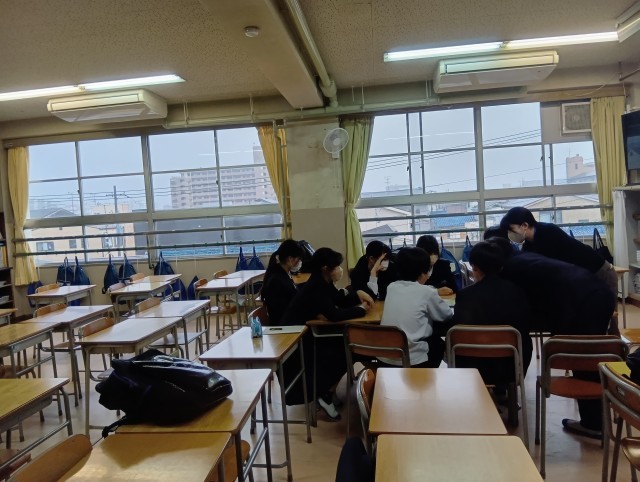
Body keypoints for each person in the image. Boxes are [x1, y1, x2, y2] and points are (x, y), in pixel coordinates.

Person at [487, 235, 614, 439]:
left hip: (583, 303)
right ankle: (601, 416)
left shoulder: (511, 269)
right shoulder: (524, 257)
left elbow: (518, 303)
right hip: (597, 293)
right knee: (590, 358)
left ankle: (593, 423)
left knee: (582, 360)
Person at [281, 247, 374, 420]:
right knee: (346, 351)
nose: (339, 270)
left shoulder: (323, 281)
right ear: (325, 268)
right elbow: (334, 314)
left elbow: (340, 300)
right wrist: (361, 310)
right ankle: (324, 393)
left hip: (309, 334)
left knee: (348, 348)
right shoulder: (316, 286)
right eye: (336, 267)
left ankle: (327, 392)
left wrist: (357, 295)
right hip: (298, 340)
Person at [499, 207, 618, 318]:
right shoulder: (529, 244)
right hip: (582, 278)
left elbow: (553, 268)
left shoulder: (548, 232)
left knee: (607, 318)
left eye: (511, 229)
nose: (510, 234)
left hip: (599, 272)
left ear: (524, 225)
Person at [452, 241, 533, 386]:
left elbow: (459, 325)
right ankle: (506, 391)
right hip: (510, 367)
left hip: (472, 367)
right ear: (501, 267)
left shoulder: (465, 295)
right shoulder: (517, 291)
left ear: (474, 267)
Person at [379, 247, 453, 368]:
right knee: (438, 344)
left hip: (385, 357)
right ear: (423, 272)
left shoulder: (391, 287)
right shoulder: (427, 292)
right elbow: (446, 315)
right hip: (413, 360)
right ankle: (426, 377)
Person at [260, 239, 305, 324]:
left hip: (288, 320)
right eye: (298, 259)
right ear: (290, 259)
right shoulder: (276, 280)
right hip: (283, 325)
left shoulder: (284, 274)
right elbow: (281, 311)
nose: (299, 262)